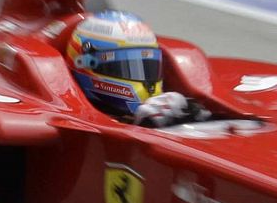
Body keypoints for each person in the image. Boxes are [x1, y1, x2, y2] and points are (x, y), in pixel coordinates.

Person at [66, 10, 209, 128]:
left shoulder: (161, 110)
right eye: (123, 67)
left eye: (148, 66)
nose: (144, 79)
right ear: (84, 64)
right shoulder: (71, 120)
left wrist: (191, 114)